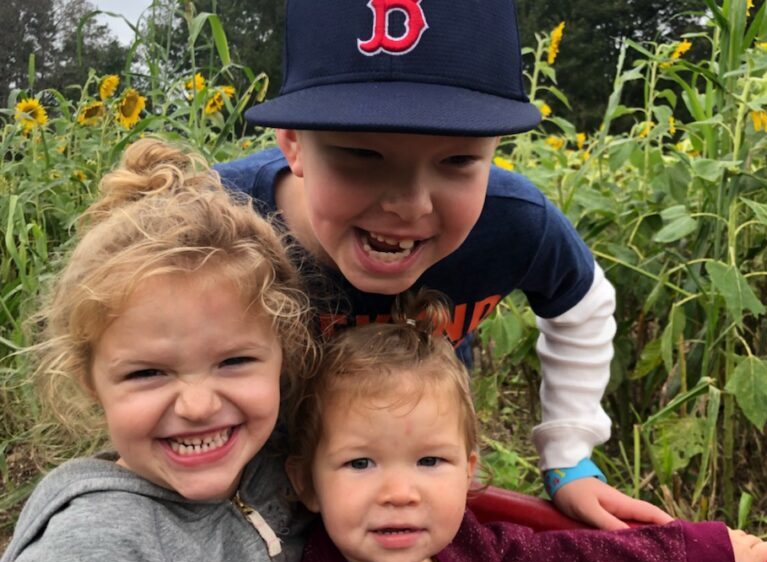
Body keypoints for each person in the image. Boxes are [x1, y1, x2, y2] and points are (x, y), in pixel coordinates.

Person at [216, 0, 660, 529]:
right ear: (293, 144)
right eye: (361, 155)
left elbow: (583, 304)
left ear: (493, 152)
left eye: (457, 161)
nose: (411, 204)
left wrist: (569, 454)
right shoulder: (220, 227)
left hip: (410, 491)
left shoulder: (514, 222)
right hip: (250, 485)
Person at [284, 290, 767, 562]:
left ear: (468, 472)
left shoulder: (479, 553)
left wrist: (701, 551)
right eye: (360, 463)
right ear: (306, 483)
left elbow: (583, 559)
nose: (399, 493)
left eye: (430, 461)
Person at [0, 139, 316, 562]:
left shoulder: (289, 473)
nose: (199, 406)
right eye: (148, 373)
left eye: (234, 362)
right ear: (89, 382)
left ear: (285, 354)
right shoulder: (93, 546)